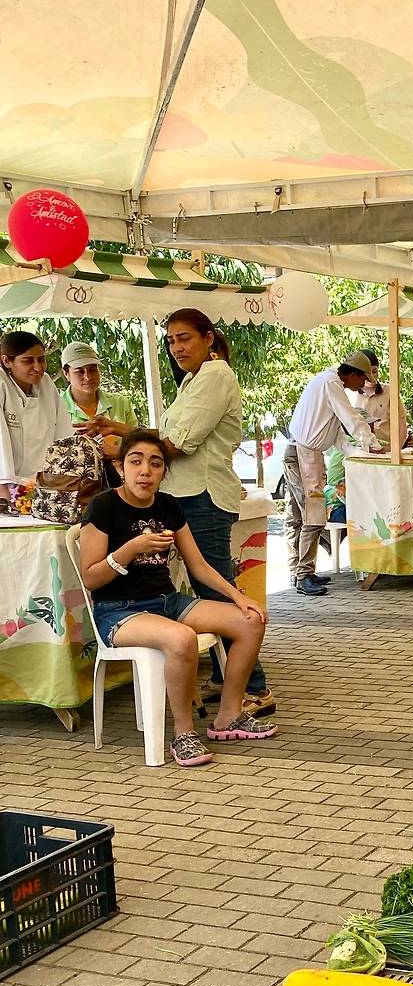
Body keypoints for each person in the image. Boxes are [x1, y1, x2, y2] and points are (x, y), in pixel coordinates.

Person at [79, 429, 275, 766]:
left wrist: (238, 597)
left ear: (163, 472)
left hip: (167, 601)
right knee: (182, 638)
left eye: (155, 464)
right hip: (118, 611)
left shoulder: (168, 505)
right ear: (121, 467)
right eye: (136, 462)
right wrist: (130, 549)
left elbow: (198, 565)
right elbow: (90, 577)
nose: (145, 471)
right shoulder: (104, 506)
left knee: (250, 621)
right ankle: (183, 733)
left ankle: (229, 715)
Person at [158, 308, 272, 715]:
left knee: (217, 591)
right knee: (208, 589)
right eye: (171, 341)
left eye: (184, 337)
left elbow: (179, 443)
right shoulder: (193, 379)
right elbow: (171, 436)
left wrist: (128, 447)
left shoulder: (215, 375)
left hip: (203, 496)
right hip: (187, 494)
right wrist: (125, 435)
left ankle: (254, 688)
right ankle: (226, 676)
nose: (177, 347)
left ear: (208, 338)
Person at [285, 354, 380, 594]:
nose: (362, 386)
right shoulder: (331, 383)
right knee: (312, 515)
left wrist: (362, 453)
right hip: (302, 455)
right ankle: (302, 574)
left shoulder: (328, 384)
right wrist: (374, 445)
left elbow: (339, 436)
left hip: (307, 454)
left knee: (305, 516)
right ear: (353, 374)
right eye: (362, 380)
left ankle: (303, 571)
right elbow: (351, 419)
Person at [0, 331, 74, 482]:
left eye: (41, 360)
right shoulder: (2, 383)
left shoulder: (46, 383)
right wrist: (5, 483)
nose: (38, 367)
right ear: (6, 361)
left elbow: (63, 436)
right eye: (28, 361)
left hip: (43, 481)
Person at [60, 342, 138, 445]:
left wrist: (118, 452)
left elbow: (138, 444)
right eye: (79, 371)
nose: (87, 377)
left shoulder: (121, 404)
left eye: (93, 370)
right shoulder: (56, 408)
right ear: (66, 374)